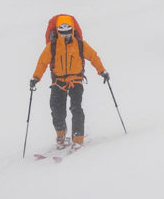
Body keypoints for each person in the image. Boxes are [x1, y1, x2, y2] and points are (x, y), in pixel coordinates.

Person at [29, 15, 108, 148]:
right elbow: (42, 62)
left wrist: (102, 71)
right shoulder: (52, 46)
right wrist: (36, 78)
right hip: (58, 82)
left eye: (67, 31)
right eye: (62, 32)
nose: (65, 34)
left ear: (72, 30)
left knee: (76, 108)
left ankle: (77, 139)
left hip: (76, 80)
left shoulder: (80, 45)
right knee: (56, 110)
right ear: (58, 32)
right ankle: (61, 133)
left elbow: (93, 57)